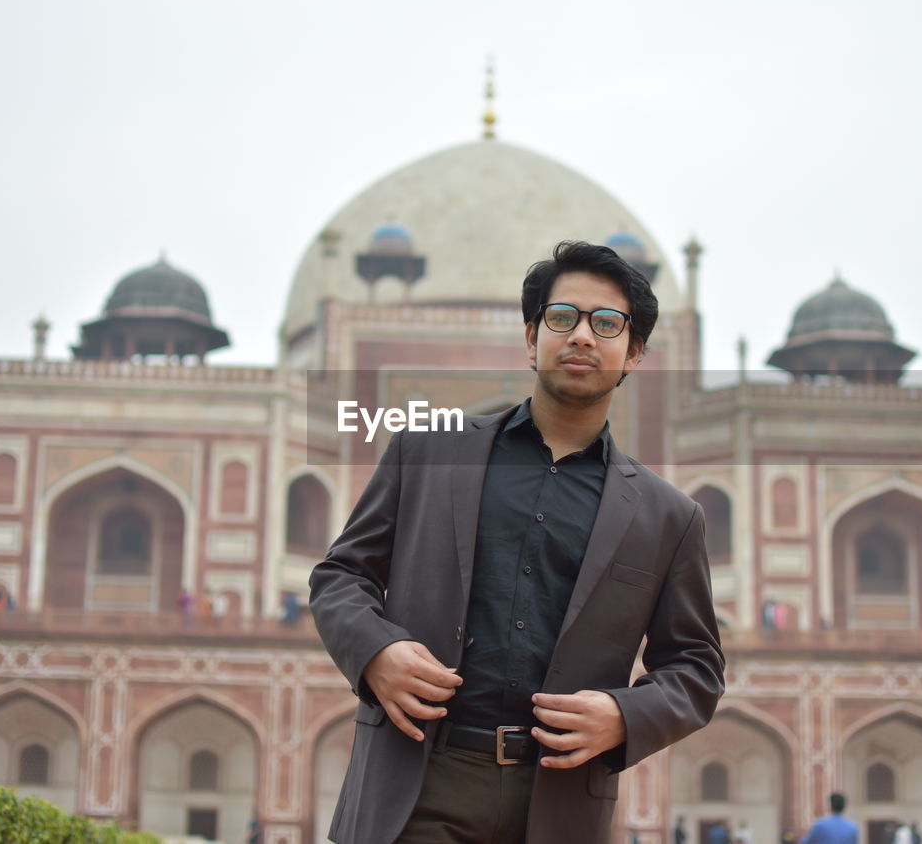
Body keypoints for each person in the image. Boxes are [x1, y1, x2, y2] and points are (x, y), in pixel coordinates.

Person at [310, 241, 726, 844]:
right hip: (419, 778)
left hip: (557, 798)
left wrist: (624, 715)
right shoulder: (429, 452)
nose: (582, 336)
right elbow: (341, 575)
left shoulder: (667, 516)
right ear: (532, 338)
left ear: (634, 353)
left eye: (606, 324)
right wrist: (376, 651)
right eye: (563, 318)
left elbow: (696, 665)